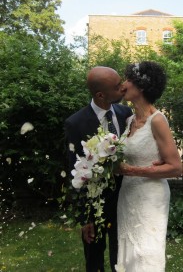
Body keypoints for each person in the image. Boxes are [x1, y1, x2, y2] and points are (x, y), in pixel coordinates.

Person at [115, 61, 182, 272]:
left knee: (145, 252)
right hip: (128, 194)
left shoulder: (158, 120)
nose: (123, 84)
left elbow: (175, 167)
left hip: (150, 196)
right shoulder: (130, 121)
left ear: (141, 86)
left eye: (128, 80)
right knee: (128, 250)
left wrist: (133, 171)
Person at [64, 66, 133, 272]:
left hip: (124, 199)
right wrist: (85, 218)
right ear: (100, 94)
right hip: (95, 205)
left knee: (121, 258)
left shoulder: (125, 113)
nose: (123, 88)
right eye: (117, 86)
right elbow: (74, 170)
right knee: (94, 259)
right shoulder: (75, 123)